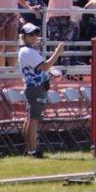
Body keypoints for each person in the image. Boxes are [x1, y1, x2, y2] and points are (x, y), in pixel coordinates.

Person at [17, 22, 64, 158]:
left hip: (34, 87)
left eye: (36, 33)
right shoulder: (27, 51)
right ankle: (32, 150)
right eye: (31, 34)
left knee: (31, 119)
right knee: (33, 120)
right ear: (23, 36)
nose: (34, 36)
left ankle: (29, 149)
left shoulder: (28, 51)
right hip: (35, 88)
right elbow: (45, 66)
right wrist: (57, 52)